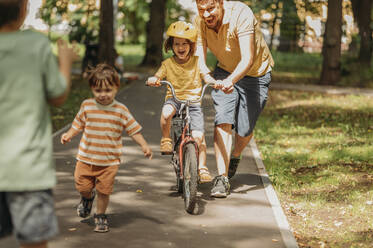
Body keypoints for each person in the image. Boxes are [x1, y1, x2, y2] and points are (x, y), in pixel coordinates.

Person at [0, 0, 78, 247]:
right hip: (28, 168)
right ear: (23, 9)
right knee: (34, 242)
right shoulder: (35, 44)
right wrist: (65, 61)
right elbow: (58, 96)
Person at [194, 0, 274, 197]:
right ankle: (221, 178)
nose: (206, 15)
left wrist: (232, 80)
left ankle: (235, 155)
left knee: (245, 128)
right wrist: (209, 78)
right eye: (201, 10)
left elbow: (248, 58)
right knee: (223, 118)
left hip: (256, 74)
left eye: (210, 8)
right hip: (224, 71)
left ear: (221, 3)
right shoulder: (199, 22)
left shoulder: (241, 14)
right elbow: (200, 60)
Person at [61, 63, 153, 233]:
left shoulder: (120, 110)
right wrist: (68, 135)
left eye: (108, 90)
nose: (103, 95)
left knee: (104, 191)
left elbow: (133, 130)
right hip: (85, 158)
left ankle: (100, 216)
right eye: (98, 91)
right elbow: (77, 124)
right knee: (83, 187)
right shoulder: (87, 106)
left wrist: (144, 145)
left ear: (117, 88)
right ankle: (87, 199)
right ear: (92, 89)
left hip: (109, 162)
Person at [146, 21, 216, 183]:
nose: (181, 47)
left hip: (193, 102)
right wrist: (154, 79)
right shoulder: (167, 64)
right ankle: (166, 139)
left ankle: (202, 168)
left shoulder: (198, 61)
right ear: (171, 45)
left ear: (191, 45)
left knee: (199, 137)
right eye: (177, 44)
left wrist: (213, 81)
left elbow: (206, 76)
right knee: (166, 114)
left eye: (185, 43)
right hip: (175, 99)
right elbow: (158, 76)